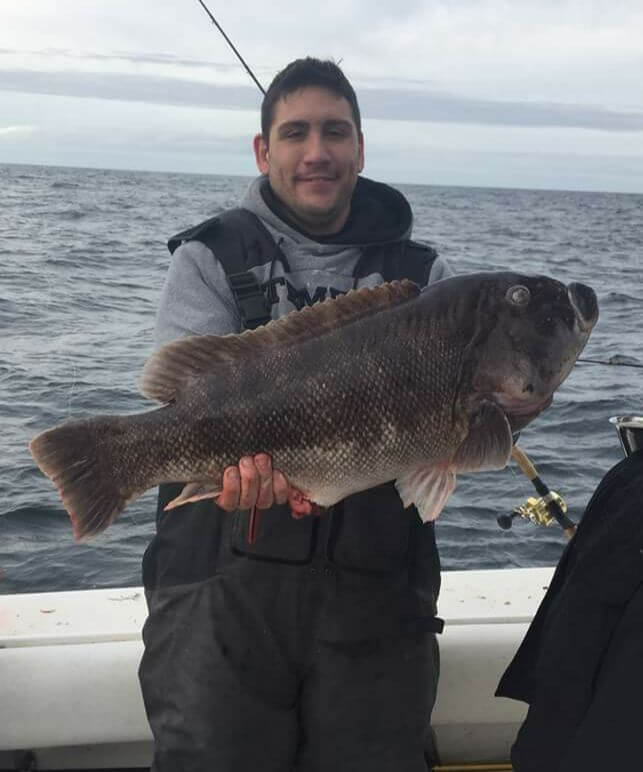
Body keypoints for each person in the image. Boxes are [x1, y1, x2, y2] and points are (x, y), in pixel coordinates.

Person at [139, 57, 452, 772]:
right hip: (222, 591)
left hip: (374, 590)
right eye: (295, 133)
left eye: (335, 132)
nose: (317, 152)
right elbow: (183, 399)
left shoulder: (425, 276)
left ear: (361, 148)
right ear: (263, 150)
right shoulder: (207, 257)